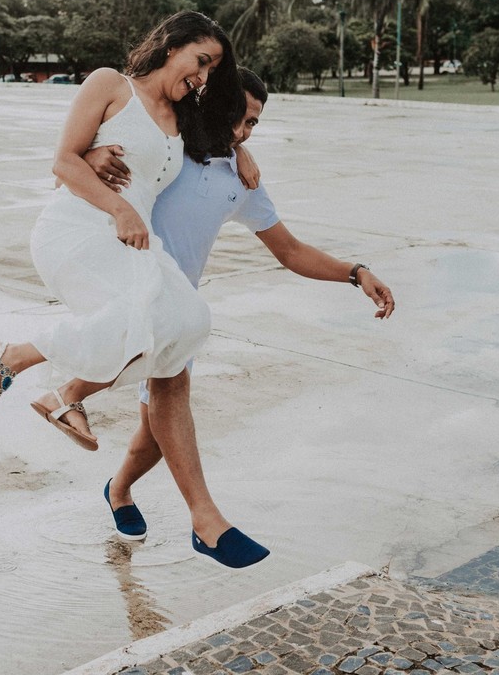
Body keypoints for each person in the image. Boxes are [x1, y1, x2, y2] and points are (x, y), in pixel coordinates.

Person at [0, 10, 270, 569]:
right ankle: (17, 357)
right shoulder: (110, 84)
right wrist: (114, 203)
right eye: (200, 60)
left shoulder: (186, 115)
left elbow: (226, 130)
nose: (204, 76)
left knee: (188, 324)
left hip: (129, 243)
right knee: (147, 320)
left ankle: (34, 370)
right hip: (80, 232)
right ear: (170, 44)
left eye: (212, 69)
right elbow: (62, 161)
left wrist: (243, 149)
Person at [85, 68, 394, 553]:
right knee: (171, 392)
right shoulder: (168, 148)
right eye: (237, 118)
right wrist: (93, 152)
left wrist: (355, 272)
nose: (243, 132)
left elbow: (289, 250)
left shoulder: (240, 179)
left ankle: (118, 489)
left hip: (179, 307)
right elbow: (100, 153)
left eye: (252, 125)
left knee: (155, 426)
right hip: (139, 293)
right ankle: (205, 521)